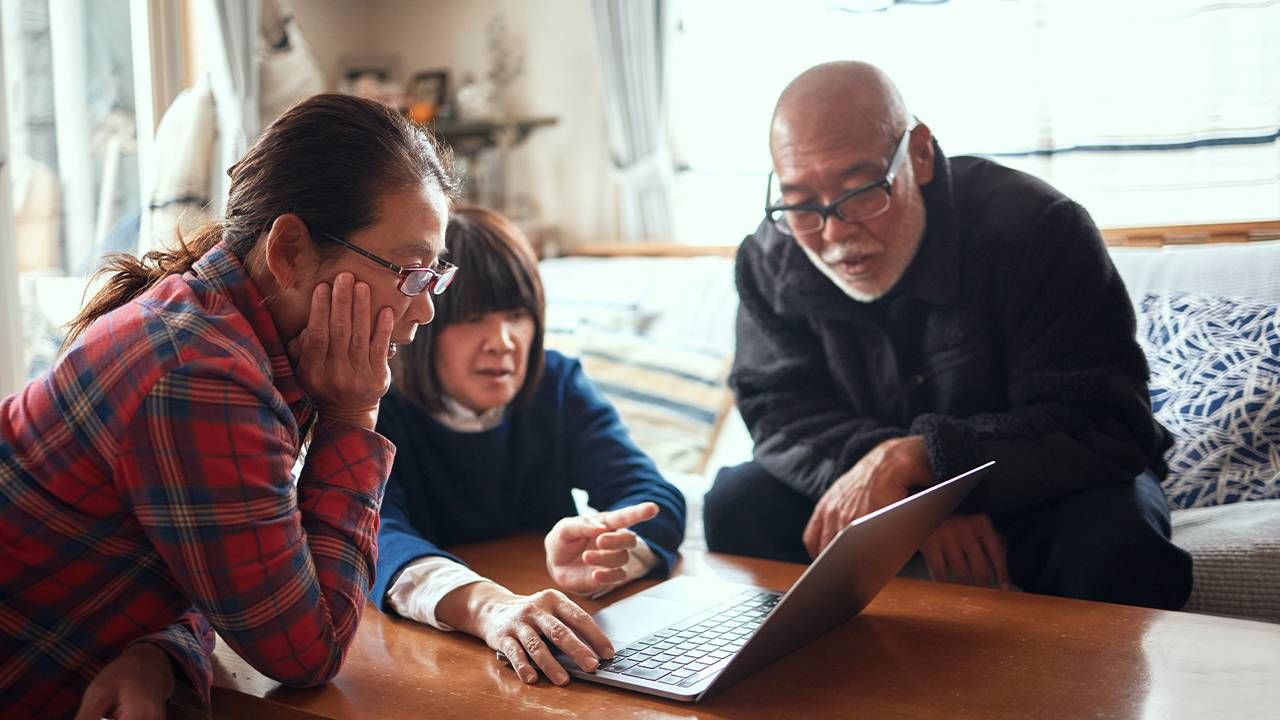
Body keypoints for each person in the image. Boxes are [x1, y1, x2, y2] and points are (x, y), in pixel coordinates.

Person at [0, 92, 457, 719]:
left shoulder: (225, 330)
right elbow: (307, 652)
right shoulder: (202, 374)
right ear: (290, 250)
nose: (425, 306)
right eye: (410, 270)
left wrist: (161, 650)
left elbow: (210, 573)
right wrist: (353, 419)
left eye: (436, 274)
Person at [703, 61, 1193, 610]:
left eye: (861, 191)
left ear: (919, 154)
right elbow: (778, 414)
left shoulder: (1036, 228)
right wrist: (908, 502)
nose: (834, 233)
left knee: (1115, 537)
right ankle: (819, 690)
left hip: (1040, 483)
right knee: (736, 502)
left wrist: (926, 464)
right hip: (867, 476)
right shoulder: (771, 258)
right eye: (800, 203)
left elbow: (1103, 423)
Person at [371, 206, 686, 686]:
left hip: (556, 637)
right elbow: (376, 537)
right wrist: (486, 605)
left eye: (517, 315)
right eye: (473, 318)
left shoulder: (556, 383)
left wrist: (611, 554)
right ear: (424, 319)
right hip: (432, 657)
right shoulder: (379, 404)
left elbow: (650, 496)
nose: (502, 341)